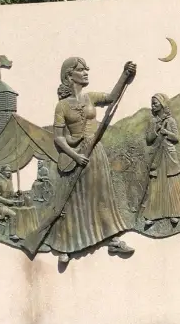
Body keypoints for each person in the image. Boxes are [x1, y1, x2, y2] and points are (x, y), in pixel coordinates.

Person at [47, 57, 135, 264]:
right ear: (70, 75)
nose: (86, 72)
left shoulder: (90, 98)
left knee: (102, 195)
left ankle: (113, 239)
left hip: (95, 153)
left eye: (86, 69)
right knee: (74, 200)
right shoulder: (62, 106)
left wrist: (125, 74)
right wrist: (75, 155)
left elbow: (112, 97)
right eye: (81, 70)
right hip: (76, 156)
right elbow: (58, 137)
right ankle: (66, 245)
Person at [143, 93, 180, 228]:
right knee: (156, 184)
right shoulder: (152, 121)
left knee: (171, 181)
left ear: (162, 104)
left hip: (168, 154)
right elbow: (149, 139)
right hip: (157, 156)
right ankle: (153, 215)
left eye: (155, 103)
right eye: (152, 103)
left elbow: (176, 138)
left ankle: (175, 212)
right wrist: (156, 129)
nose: (153, 106)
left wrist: (166, 132)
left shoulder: (170, 121)